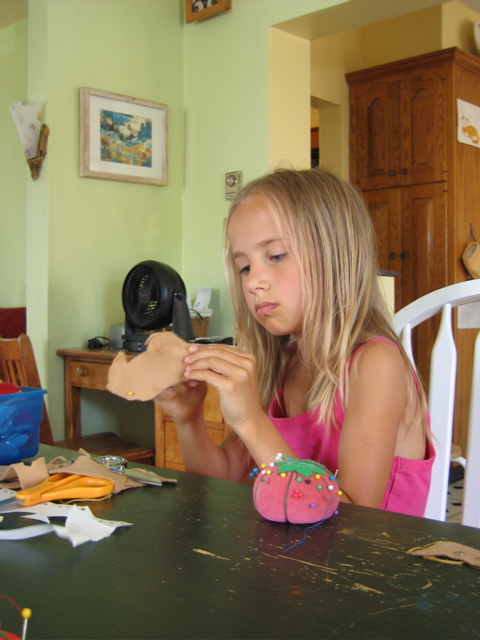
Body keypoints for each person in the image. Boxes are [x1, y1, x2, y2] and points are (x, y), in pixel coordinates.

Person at [155, 167, 435, 516]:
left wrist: (250, 421)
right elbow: (221, 475)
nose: (254, 281)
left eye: (275, 256)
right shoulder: (284, 364)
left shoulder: (375, 364)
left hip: (371, 567)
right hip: (300, 562)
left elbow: (352, 524)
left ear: (335, 254)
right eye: (244, 267)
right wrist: (188, 418)